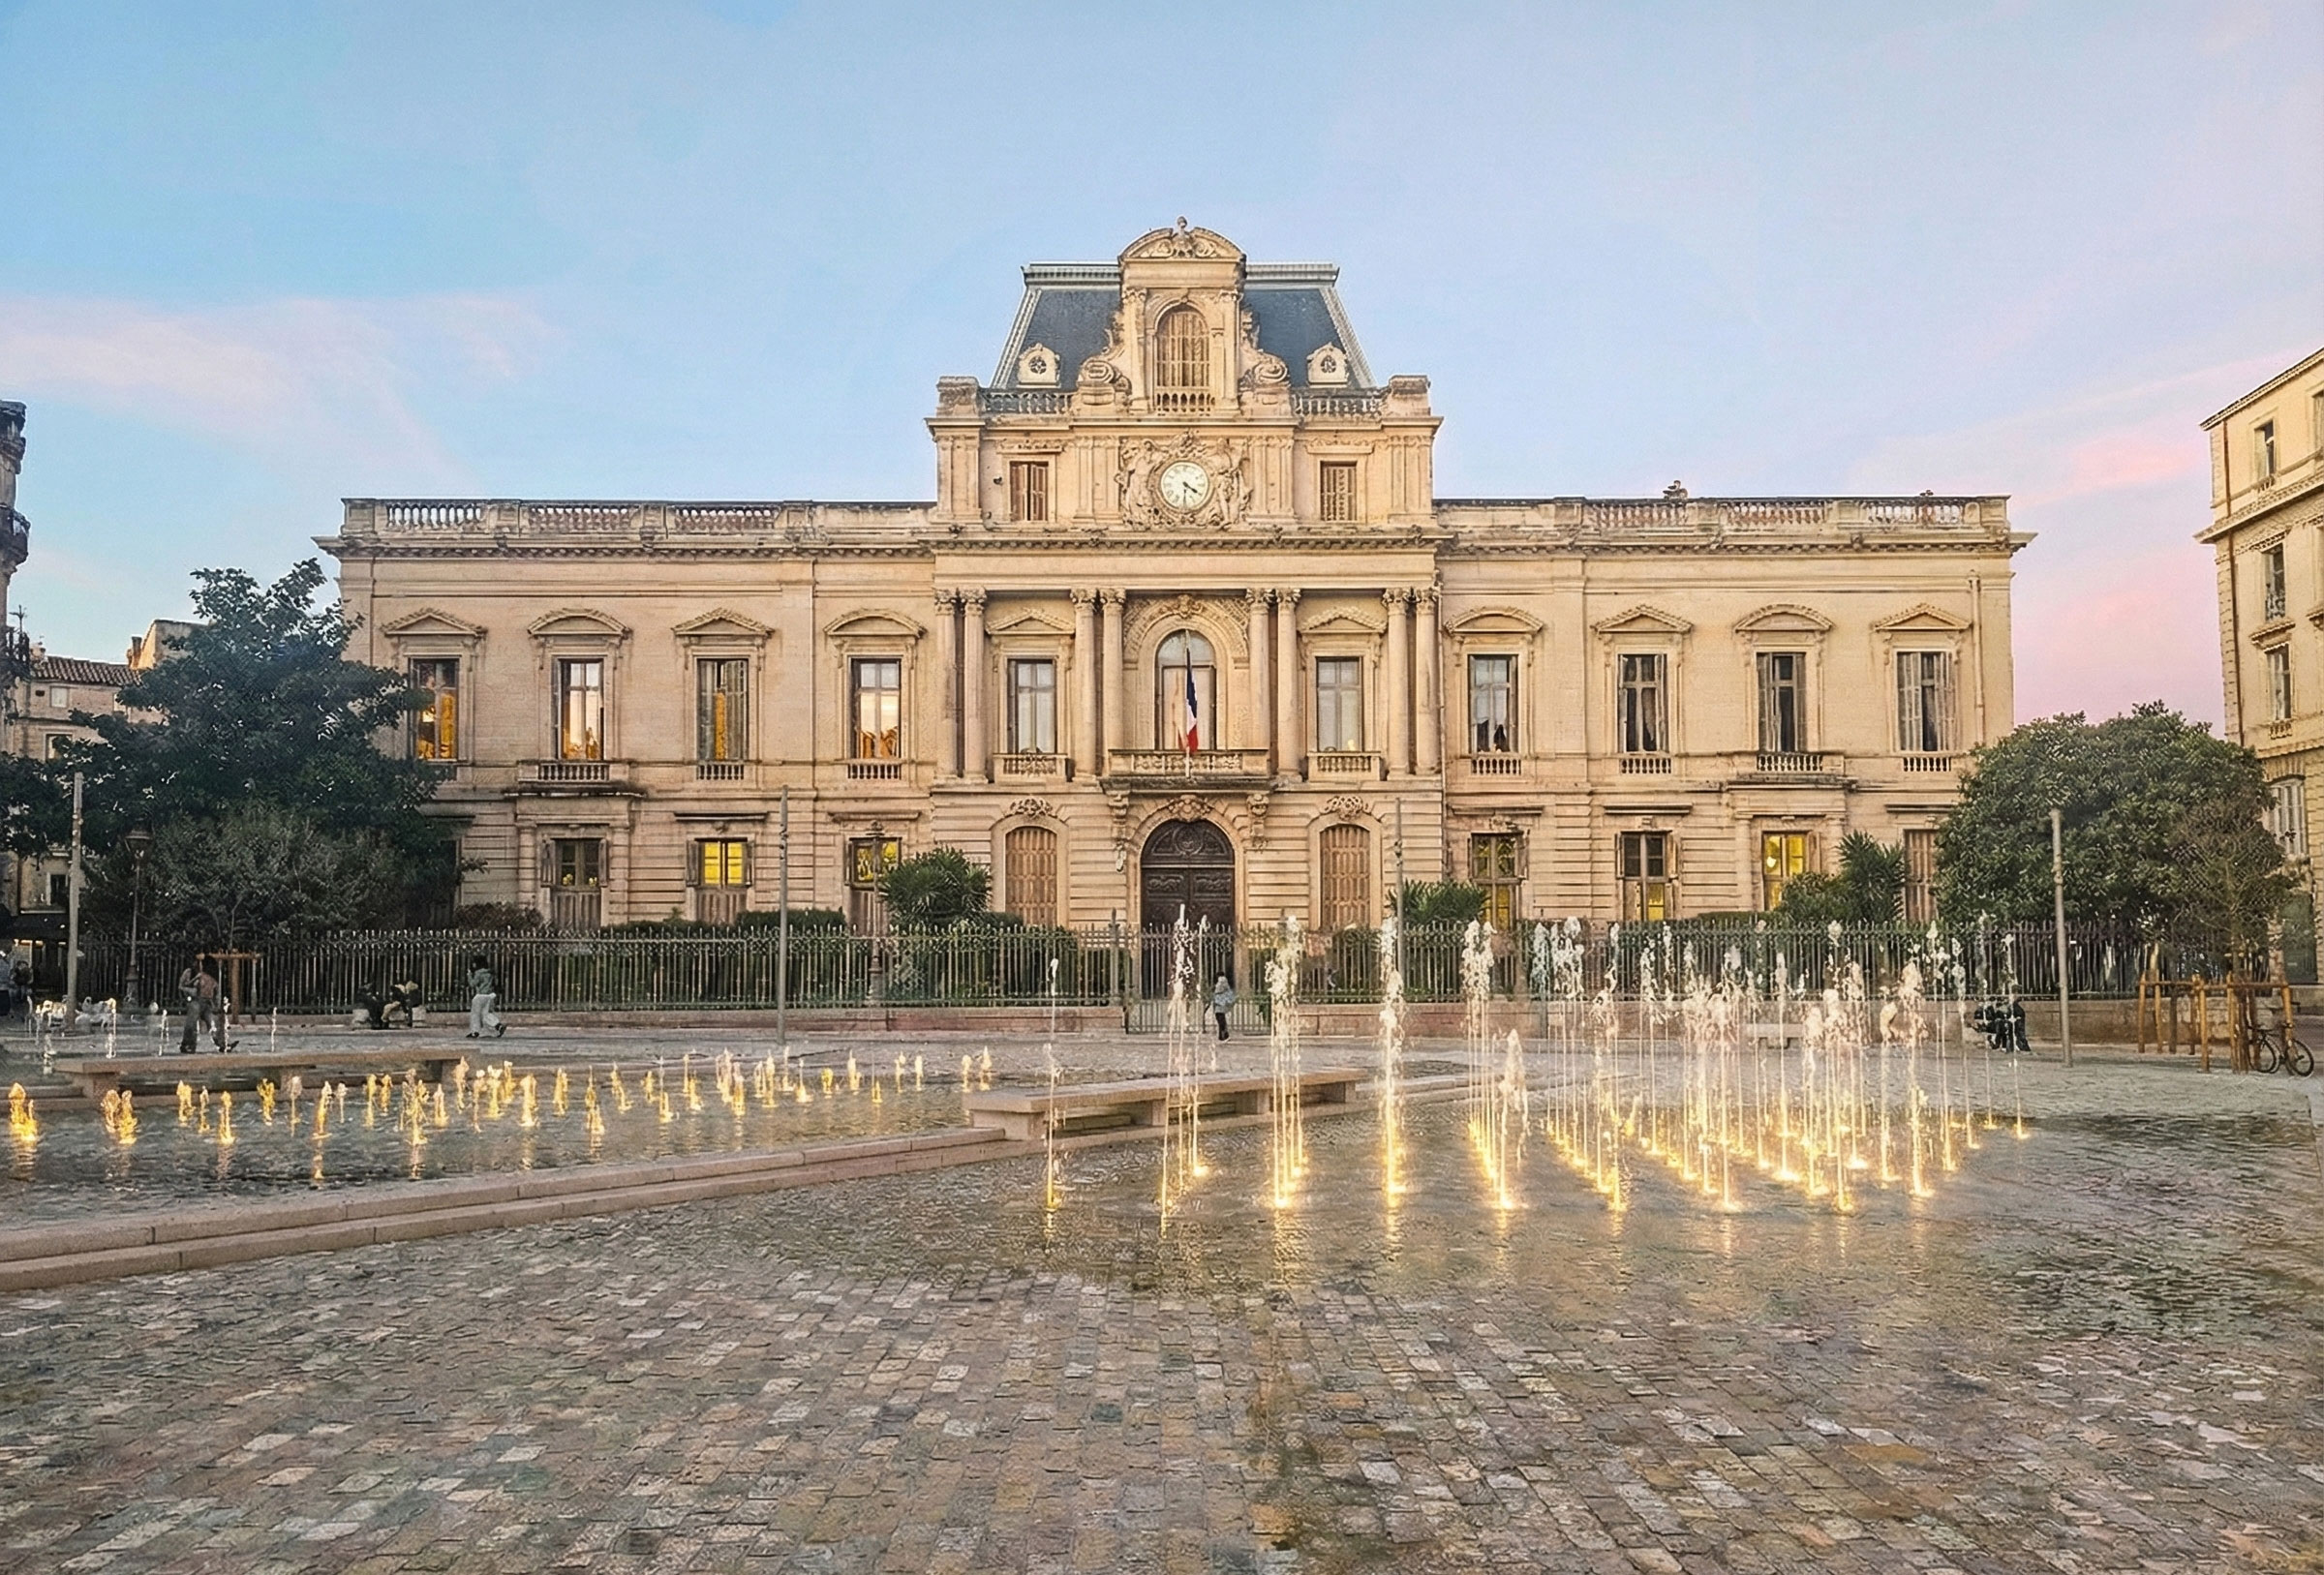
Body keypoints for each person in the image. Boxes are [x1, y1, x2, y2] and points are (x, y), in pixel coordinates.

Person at [179, 961, 223, 1053]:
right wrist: (191, 991)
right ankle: (188, 1044)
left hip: (207, 1003)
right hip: (196, 1000)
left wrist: (216, 1004)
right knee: (192, 1022)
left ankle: (222, 1044)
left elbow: (217, 991)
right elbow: (182, 986)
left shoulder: (210, 977)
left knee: (212, 1023)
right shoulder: (191, 973)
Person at [467, 954, 505, 1040]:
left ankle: (475, 1032)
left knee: (475, 1014)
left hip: (480, 996)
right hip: (489, 995)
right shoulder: (490, 973)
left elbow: (472, 984)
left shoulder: (478, 973)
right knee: (486, 1013)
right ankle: (497, 1025)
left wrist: (469, 975)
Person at [1209, 974, 1236, 1043]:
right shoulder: (1222, 980)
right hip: (1220, 1002)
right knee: (1220, 1018)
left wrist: (1214, 988)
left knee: (1220, 1019)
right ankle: (1221, 1036)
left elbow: (1218, 989)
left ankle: (1225, 1035)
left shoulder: (1222, 980)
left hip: (1220, 1002)